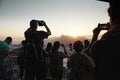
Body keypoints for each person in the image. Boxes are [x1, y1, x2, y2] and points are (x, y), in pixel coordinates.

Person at [91, 0, 120, 80]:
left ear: (114, 18)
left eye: (109, 16)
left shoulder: (102, 45)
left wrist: (95, 35)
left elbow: (90, 56)